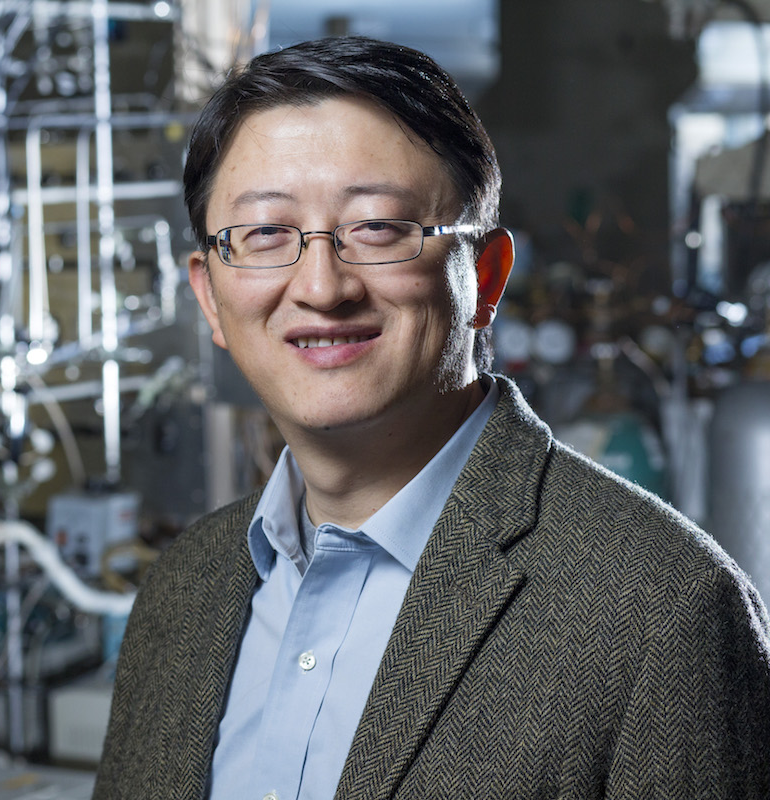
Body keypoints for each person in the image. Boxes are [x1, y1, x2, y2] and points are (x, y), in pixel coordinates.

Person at [92, 36, 770, 800]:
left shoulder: (661, 610)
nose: (321, 286)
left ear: (484, 278)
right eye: (266, 234)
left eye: (378, 227)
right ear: (211, 296)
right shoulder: (181, 592)